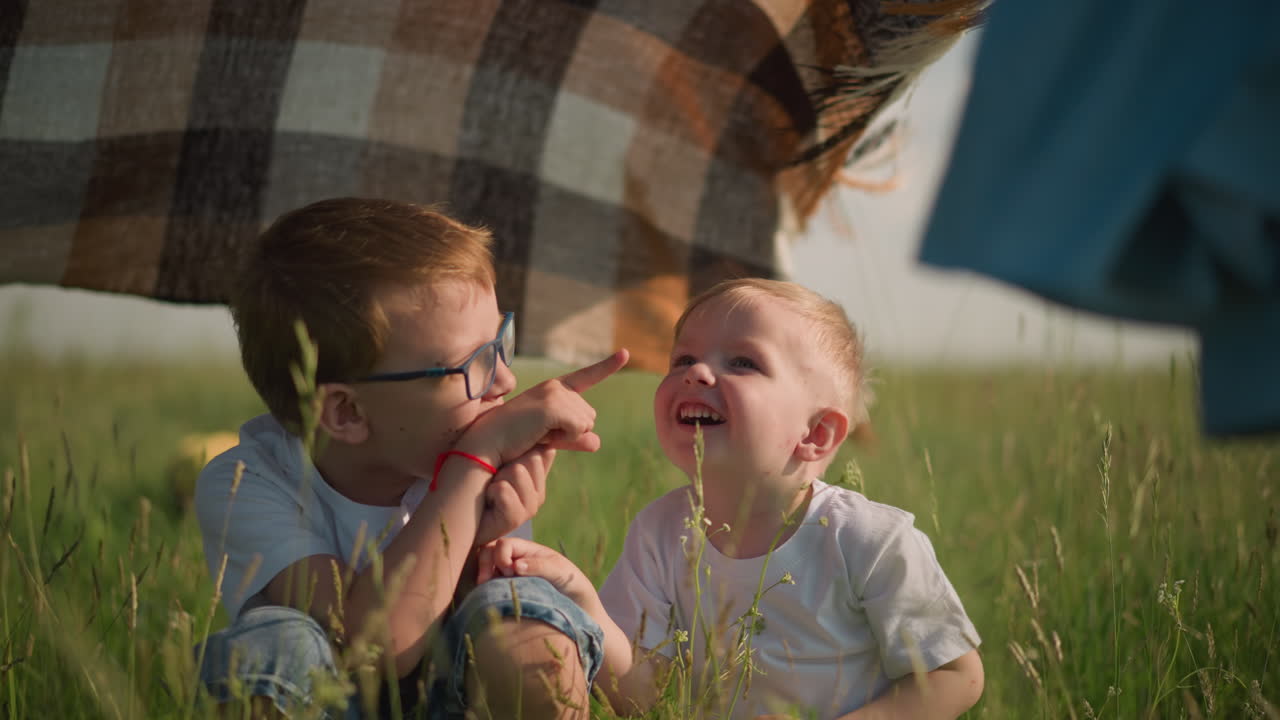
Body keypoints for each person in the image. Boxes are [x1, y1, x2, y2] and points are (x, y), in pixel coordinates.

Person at [194, 197, 629, 719]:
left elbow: (471, 629)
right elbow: (374, 650)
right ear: (346, 412)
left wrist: (488, 537)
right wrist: (472, 467)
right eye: (474, 364)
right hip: (335, 702)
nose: (507, 382)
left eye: (501, 344)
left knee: (521, 623)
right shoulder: (249, 482)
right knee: (274, 646)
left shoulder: (458, 450)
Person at [477, 279, 984, 719]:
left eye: (743, 362)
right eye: (684, 359)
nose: (696, 374)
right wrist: (582, 599)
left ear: (817, 433)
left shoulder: (867, 540)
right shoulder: (660, 532)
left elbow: (955, 677)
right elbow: (643, 698)